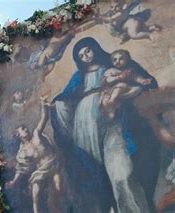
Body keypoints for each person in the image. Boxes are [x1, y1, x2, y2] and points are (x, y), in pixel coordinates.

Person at [51, 37, 160, 212]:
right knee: (93, 175)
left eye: (87, 50)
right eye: (81, 55)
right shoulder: (79, 76)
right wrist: (56, 105)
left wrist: (137, 87)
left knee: (122, 172)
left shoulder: (113, 66)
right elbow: (66, 97)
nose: (85, 56)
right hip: (84, 125)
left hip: (112, 123)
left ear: (95, 48)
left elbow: (138, 77)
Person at [6, 97, 61, 213]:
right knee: (34, 194)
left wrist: (42, 105)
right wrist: (13, 181)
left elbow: (43, 118)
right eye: (22, 129)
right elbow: (20, 168)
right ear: (18, 135)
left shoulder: (36, 134)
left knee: (58, 188)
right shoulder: (23, 152)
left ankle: (55, 207)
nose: (26, 129)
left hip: (53, 164)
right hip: (40, 170)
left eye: (25, 128)